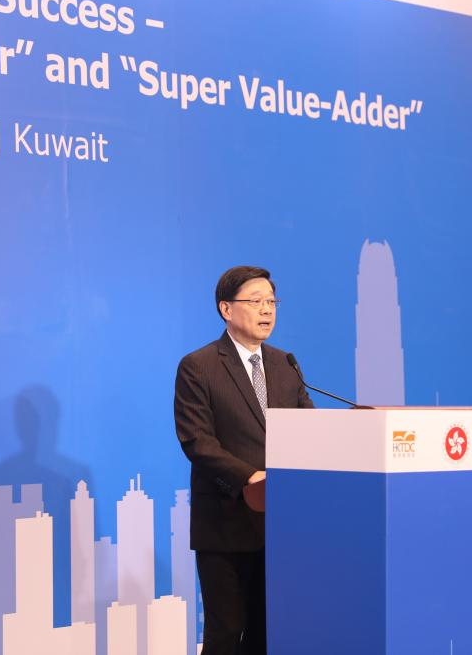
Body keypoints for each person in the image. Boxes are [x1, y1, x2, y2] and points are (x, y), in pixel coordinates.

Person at [174, 265, 314, 655]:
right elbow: (197, 440)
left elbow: (310, 430)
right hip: (227, 521)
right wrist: (249, 477)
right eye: (255, 301)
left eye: (271, 301)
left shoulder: (286, 365)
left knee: (267, 634)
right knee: (226, 634)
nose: (267, 310)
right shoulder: (199, 366)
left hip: (281, 525)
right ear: (226, 309)